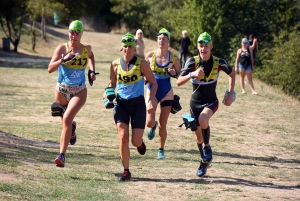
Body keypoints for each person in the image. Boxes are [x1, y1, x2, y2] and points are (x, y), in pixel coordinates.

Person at [177, 32, 236, 177]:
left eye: (206, 46)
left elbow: (233, 74)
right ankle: (204, 162)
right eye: (201, 46)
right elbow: (178, 81)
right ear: (197, 47)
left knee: (203, 119)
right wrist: (193, 74)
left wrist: (230, 93)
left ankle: (208, 148)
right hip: (194, 104)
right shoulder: (192, 62)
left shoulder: (219, 62)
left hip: (211, 102)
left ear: (211, 47)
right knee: (198, 138)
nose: (203, 49)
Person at [104, 32, 157, 181]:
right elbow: (112, 83)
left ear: (135, 48)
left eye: (130, 46)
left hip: (138, 105)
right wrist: (107, 93)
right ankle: (126, 171)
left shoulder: (142, 64)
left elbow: (153, 83)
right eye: (125, 46)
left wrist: (151, 100)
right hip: (120, 104)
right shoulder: (114, 64)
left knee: (135, 141)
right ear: (122, 48)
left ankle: (139, 143)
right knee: (123, 137)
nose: (127, 49)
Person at [48, 20, 96, 167]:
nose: (73, 36)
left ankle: (61, 155)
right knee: (66, 122)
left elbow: (91, 57)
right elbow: (50, 68)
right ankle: (72, 129)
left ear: (81, 34)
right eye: (71, 32)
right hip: (61, 91)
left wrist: (92, 71)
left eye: (77, 33)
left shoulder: (86, 49)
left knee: (67, 119)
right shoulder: (62, 49)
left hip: (79, 91)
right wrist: (63, 60)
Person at [145, 28, 181, 159]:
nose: (161, 41)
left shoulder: (174, 58)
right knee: (149, 122)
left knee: (163, 123)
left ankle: (161, 149)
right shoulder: (150, 55)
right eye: (159, 38)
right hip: (152, 90)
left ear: (168, 42)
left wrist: (174, 74)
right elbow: (143, 70)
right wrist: (145, 77)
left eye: (164, 39)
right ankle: (152, 126)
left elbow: (180, 76)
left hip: (167, 91)